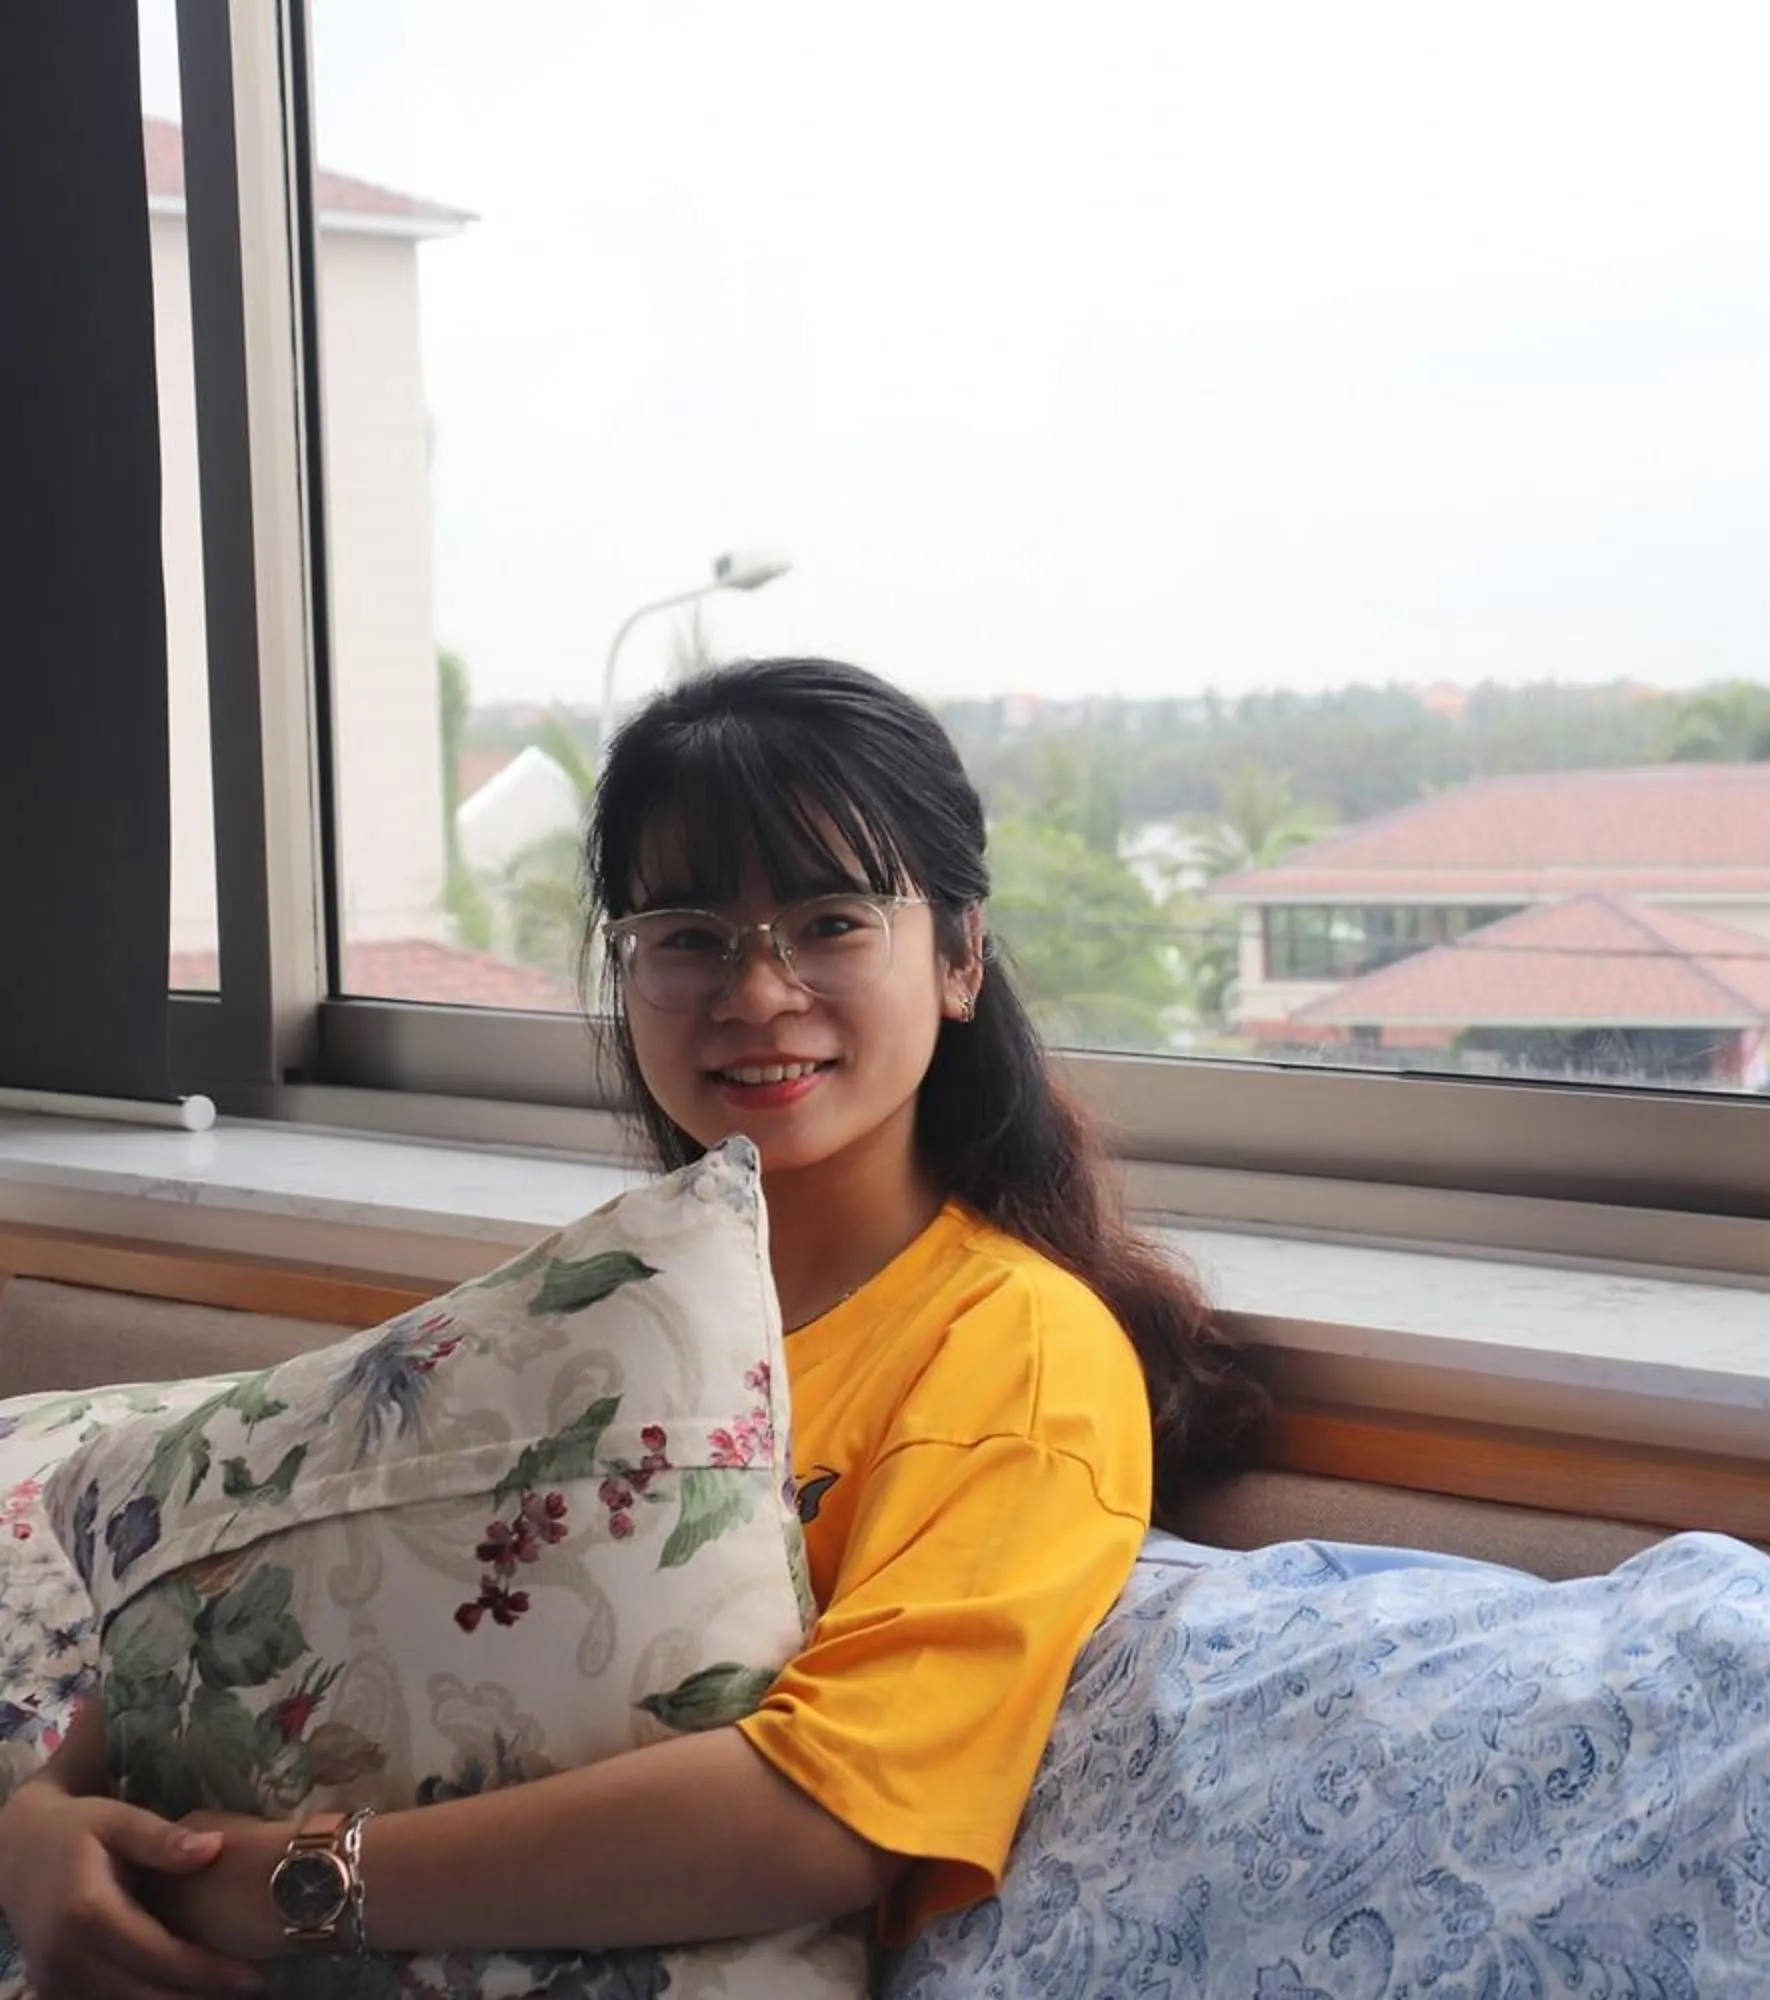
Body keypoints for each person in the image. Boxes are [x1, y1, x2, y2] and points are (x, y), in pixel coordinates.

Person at [0, 656, 1268, 1995]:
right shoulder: (595, 1307)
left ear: (957, 957)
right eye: (689, 936)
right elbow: (280, 1585)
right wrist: (37, 1826)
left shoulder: (1016, 1351)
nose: (757, 992)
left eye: (831, 923)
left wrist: (292, 1884)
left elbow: (832, 1810)